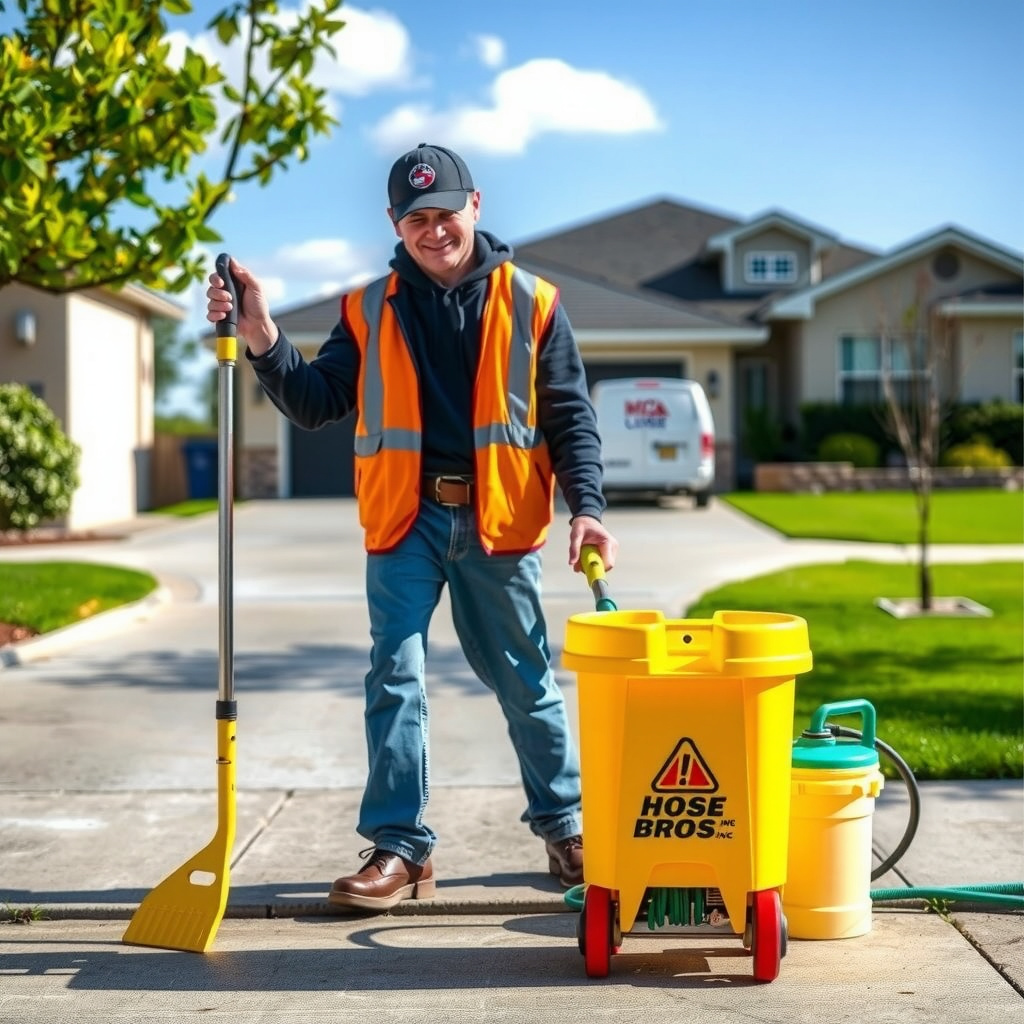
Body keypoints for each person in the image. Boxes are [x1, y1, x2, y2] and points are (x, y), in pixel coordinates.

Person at [206, 142, 618, 912]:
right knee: (393, 675)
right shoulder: (367, 310)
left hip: (498, 523)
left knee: (526, 680)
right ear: (395, 223)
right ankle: (401, 846)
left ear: (475, 206)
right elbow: (316, 402)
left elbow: (570, 418)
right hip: (407, 518)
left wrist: (588, 509)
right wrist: (262, 334)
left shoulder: (534, 304)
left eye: (445, 214)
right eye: (416, 218)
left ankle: (566, 829)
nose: (434, 231)